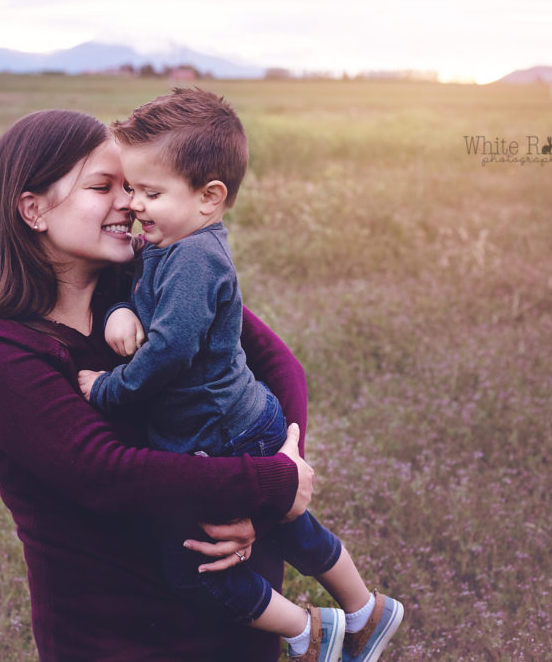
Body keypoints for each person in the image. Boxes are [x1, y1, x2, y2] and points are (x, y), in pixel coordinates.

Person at [0, 108, 326, 660]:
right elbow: (107, 473)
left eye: (132, 186)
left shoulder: (149, 275)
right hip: (118, 634)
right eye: (104, 187)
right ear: (33, 210)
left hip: (241, 613)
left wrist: (270, 491)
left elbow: (277, 363)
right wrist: (268, 485)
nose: (130, 202)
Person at [77, 88, 403, 661]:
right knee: (288, 524)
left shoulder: (195, 258)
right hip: (237, 420)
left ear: (210, 198)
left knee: (195, 562)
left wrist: (108, 389)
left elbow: (171, 351)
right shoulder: (167, 241)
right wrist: (119, 312)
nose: (134, 205)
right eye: (130, 188)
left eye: (149, 192)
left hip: (221, 432)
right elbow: (132, 295)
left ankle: (309, 632)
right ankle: (365, 610)